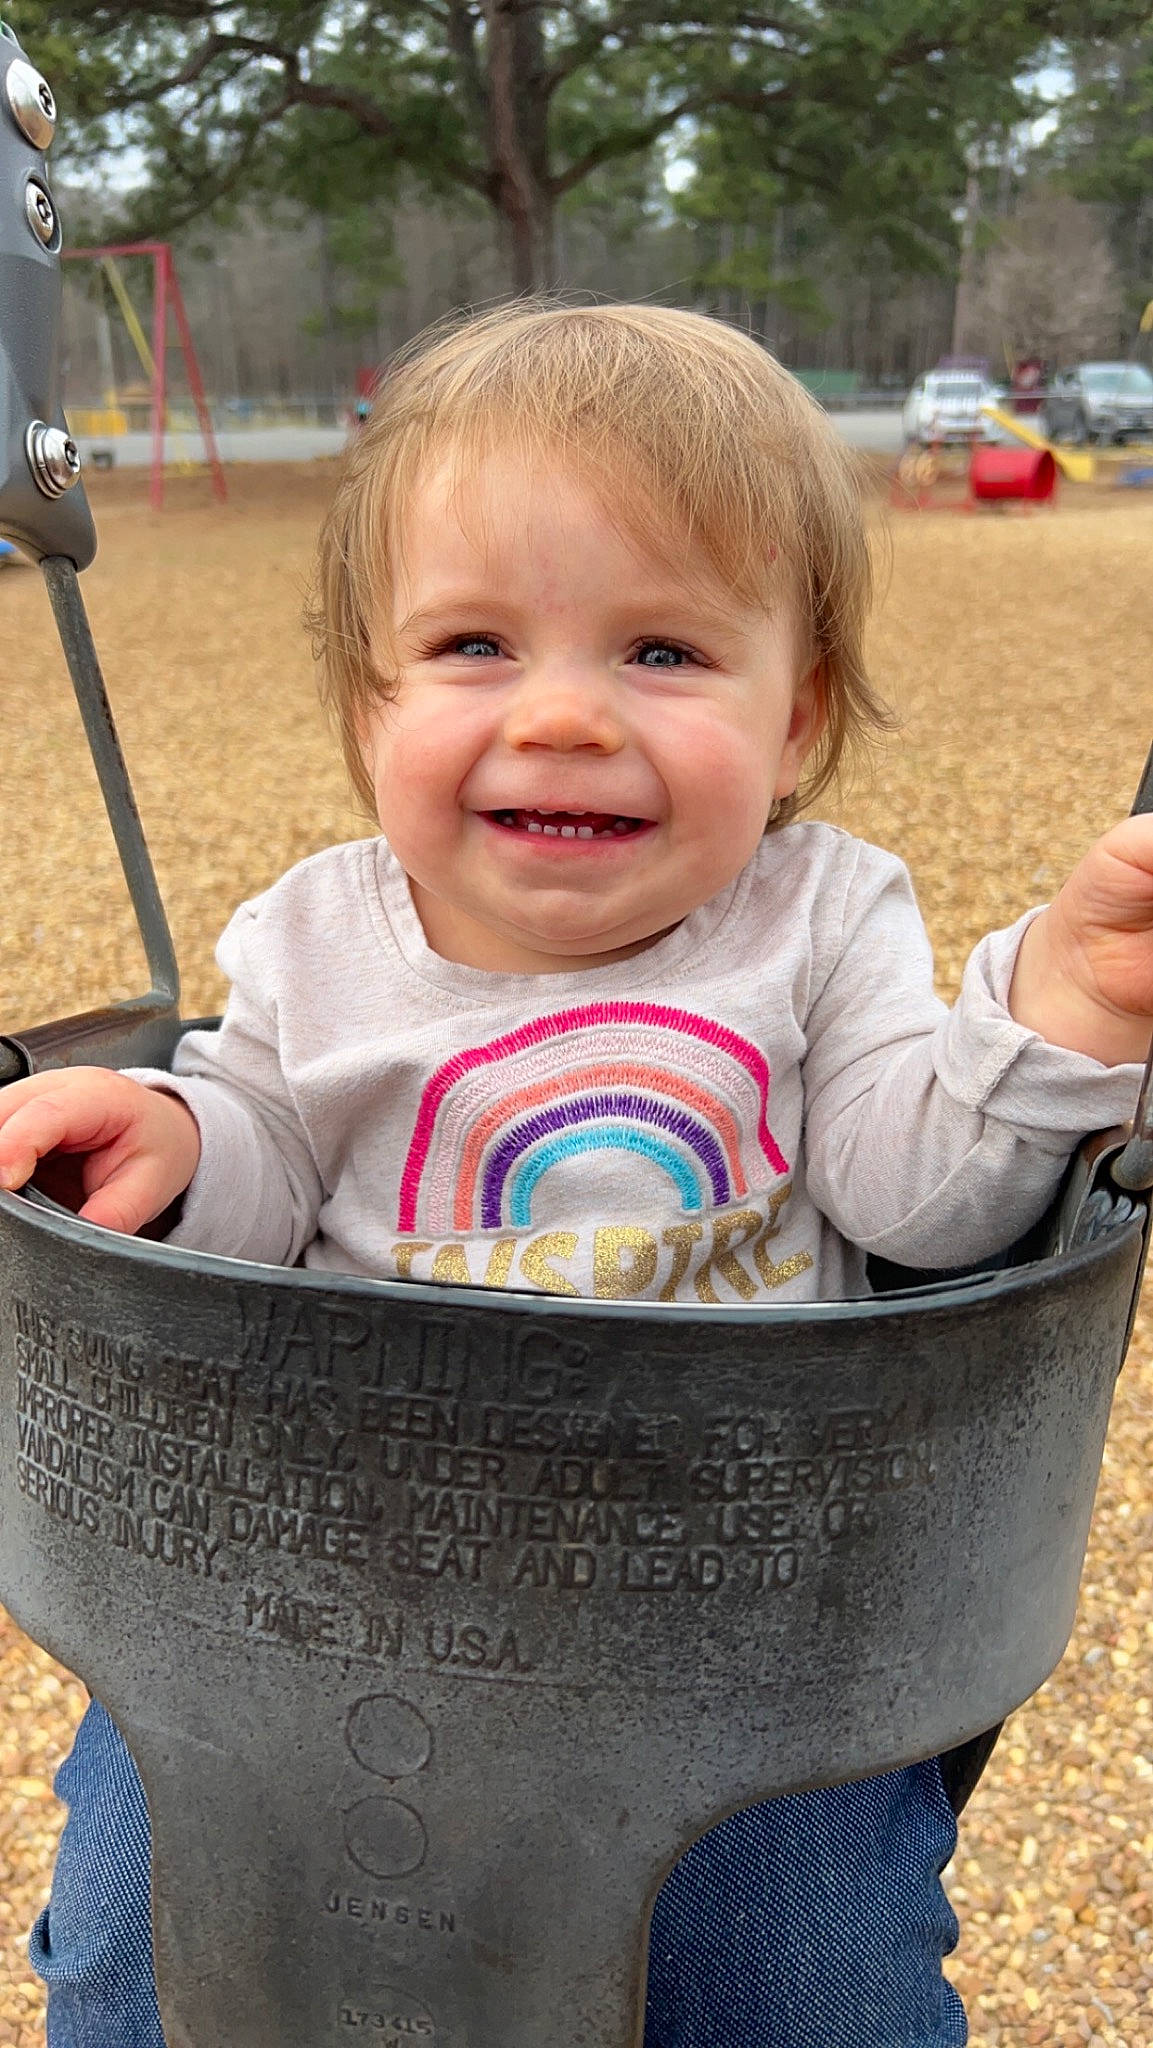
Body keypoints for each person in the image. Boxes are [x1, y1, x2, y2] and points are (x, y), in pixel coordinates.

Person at [1, 302, 1150, 2048]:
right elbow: (260, 1179)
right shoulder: (317, 937)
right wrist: (172, 1148)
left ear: (796, 714)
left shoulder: (822, 918)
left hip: (754, 1622)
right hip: (316, 1606)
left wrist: (1058, 1006)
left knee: (809, 1992)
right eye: (471, 644)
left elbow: (925, 1205)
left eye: (664, 654)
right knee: (131, 1954)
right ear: (369, 692)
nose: (560, 717)